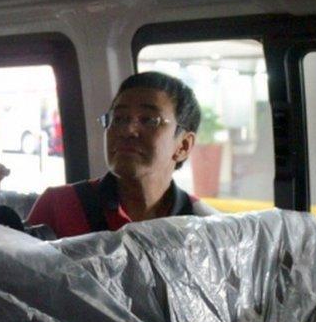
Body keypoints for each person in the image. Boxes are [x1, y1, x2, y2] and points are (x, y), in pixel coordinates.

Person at [27, 71, 216, 237]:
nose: (127, 130)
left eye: (149, 120)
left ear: (183, 146)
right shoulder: (58, 206)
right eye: (119, 119)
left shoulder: (206, 224)